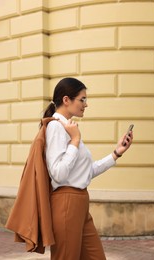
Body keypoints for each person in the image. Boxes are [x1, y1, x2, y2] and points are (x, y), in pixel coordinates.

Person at [43, 77, 133, 260]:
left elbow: (86, 172)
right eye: (82, 99)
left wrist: (116, 153)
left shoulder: (69, 127)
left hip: (80, 202)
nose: (86, 104)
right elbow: (58, 174)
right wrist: (75, 141)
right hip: (67, 202)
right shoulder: (55, 127)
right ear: (66, 100)